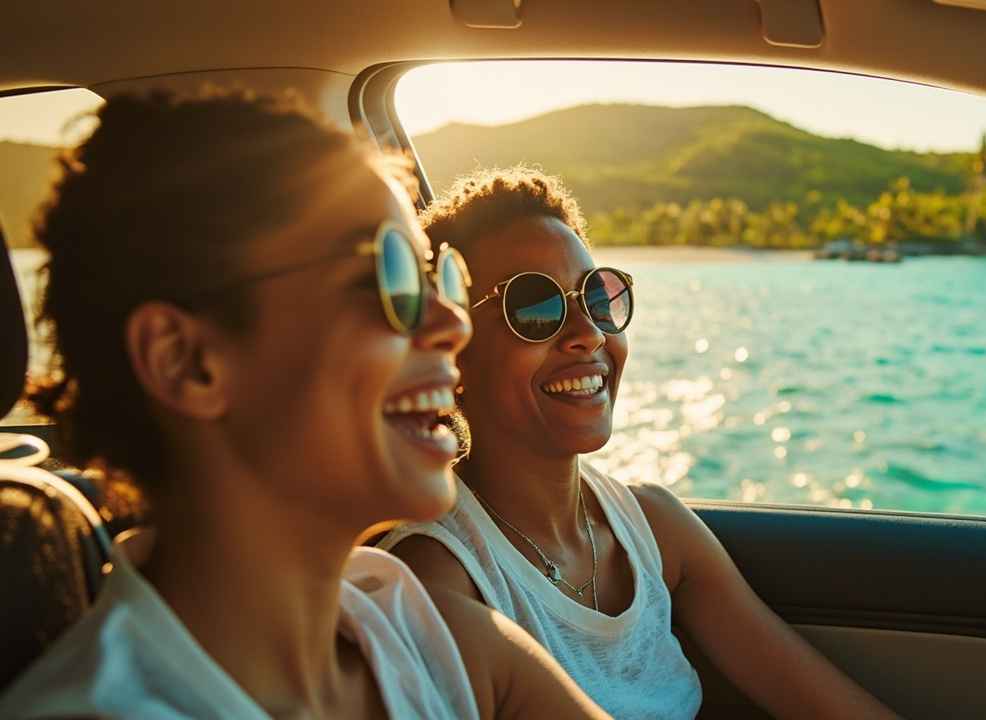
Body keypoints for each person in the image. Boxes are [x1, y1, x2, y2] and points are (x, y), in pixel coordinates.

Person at [0, 92, 606, 719]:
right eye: (391, 279)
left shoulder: (429, 635)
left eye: (438, 276)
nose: (453, 321)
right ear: (188, 362)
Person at [379, 167, 900, 719]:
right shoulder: (443, 583)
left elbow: (818, 699)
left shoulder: (652, 526)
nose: (588, 332)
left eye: (599, 297)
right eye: (535, 307)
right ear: (452, 346)